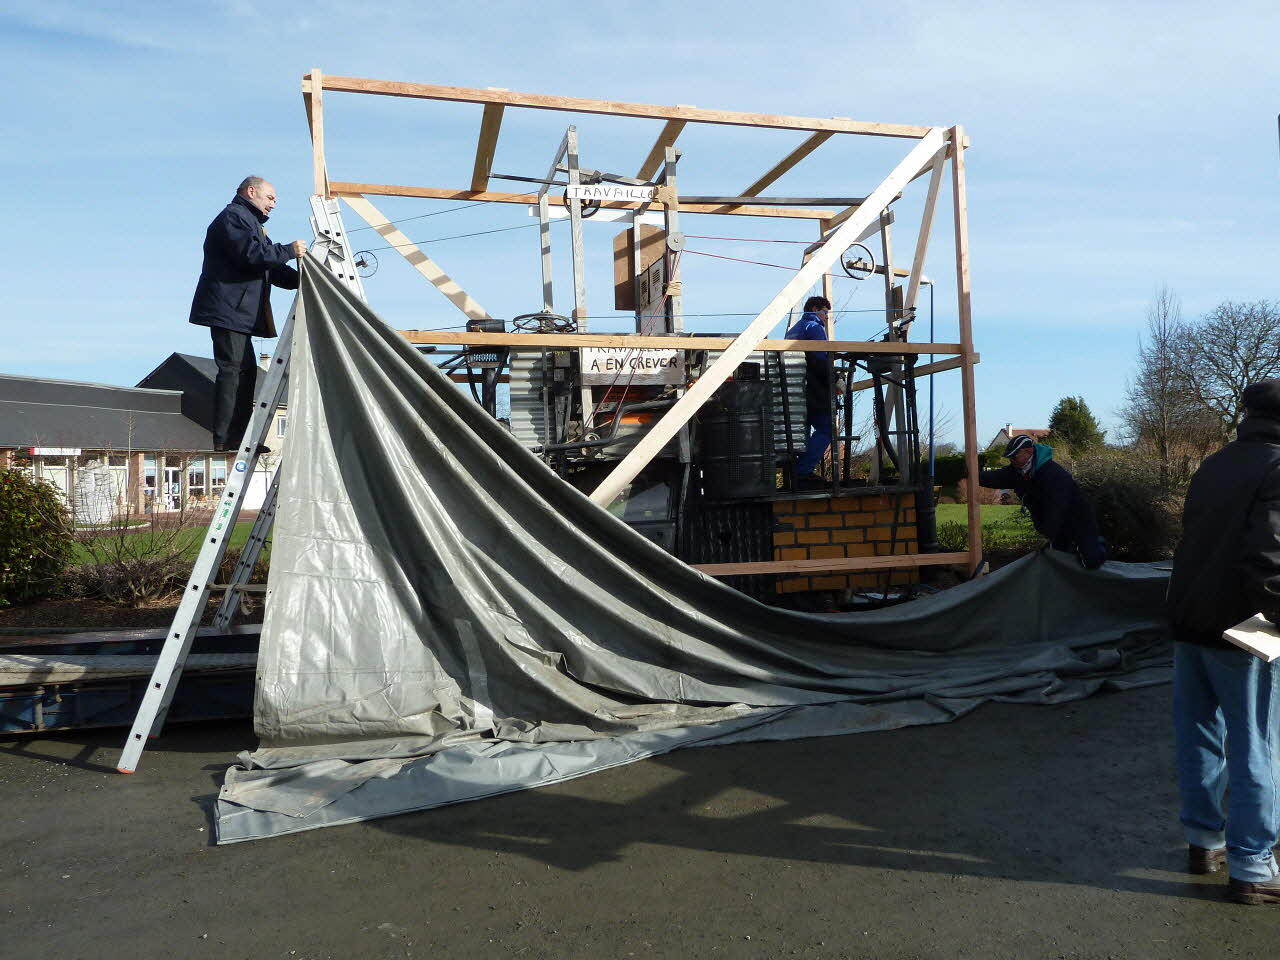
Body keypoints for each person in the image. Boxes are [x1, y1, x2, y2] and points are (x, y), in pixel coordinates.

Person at [1167, 379, 1280, 904]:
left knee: (1200, 734)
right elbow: (1271, 559)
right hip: (1245, 629)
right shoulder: (1277, 466)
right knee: (1257, 744)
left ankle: (1203, 841)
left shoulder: (1215, 463)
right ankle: (1254, 867)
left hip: (1191, 619)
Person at [189, 176, 306, 452]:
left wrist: (305, 279)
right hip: (228, 309)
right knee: (232, 372)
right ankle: (227, 437)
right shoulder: (234, 218)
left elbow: (270, 267)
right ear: (251, 192)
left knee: (245, 372)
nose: (273, 204)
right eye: (270, 198)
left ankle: (239, 436)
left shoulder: (250, 224)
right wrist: (289, 250)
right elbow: (253, 256)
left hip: (237, 311)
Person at [977, 434, 1107, 568]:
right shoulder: (1017, 471)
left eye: (1014, 456)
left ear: (1029, 452)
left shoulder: (1053, 474)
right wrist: (974, 472)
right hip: (1056, 524)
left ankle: (1097, 546)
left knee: (1091, 560)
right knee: (1058, 561)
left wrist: (1048, 534)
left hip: (1078, 519)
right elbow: (995, 477)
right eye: (1009, 457)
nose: (1011, 460)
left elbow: (1056, 509)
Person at [786, 296, 834, 484]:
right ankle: (802, 471)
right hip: (813, 388)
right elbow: (821, 359)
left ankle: (794, 475)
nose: (825, 318)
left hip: (794, 388)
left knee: (801, 433)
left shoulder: (794, 329)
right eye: (824, 313)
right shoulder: (814, 327)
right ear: (815, 309)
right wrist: (835, 378)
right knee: (827, 429)